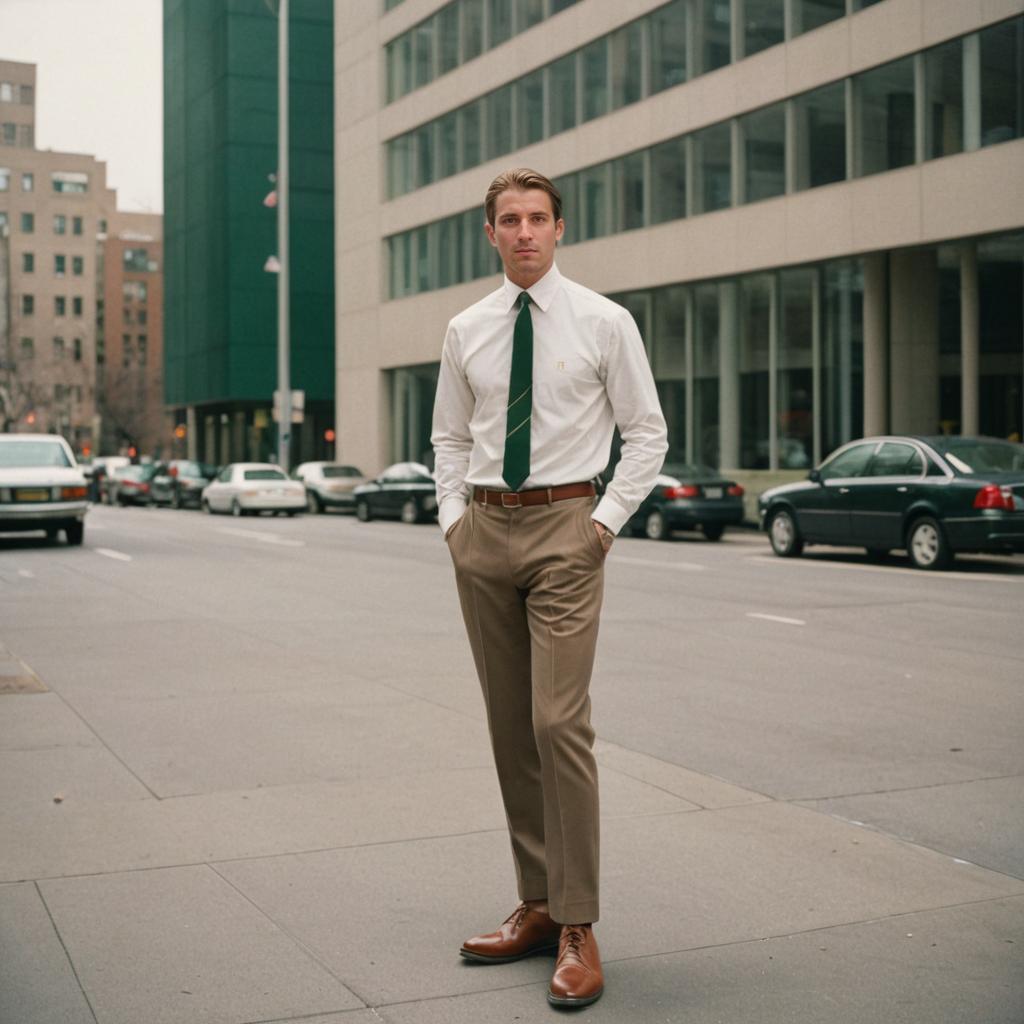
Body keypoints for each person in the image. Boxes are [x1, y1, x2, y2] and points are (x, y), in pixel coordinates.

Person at [431, 168, 667, 1008]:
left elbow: (646, 434)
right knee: (509, 728)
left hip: (568, 530)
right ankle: (535, 903)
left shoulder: (606, 322)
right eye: (509, 220)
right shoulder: (466, 328)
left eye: (538, 218)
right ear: (490, 234)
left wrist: (601, 525)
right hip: (484, 534)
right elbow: (448, 440)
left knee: (557, 721)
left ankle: (577, 922)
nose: (524, 231)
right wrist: (455, 523)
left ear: (559, 229)